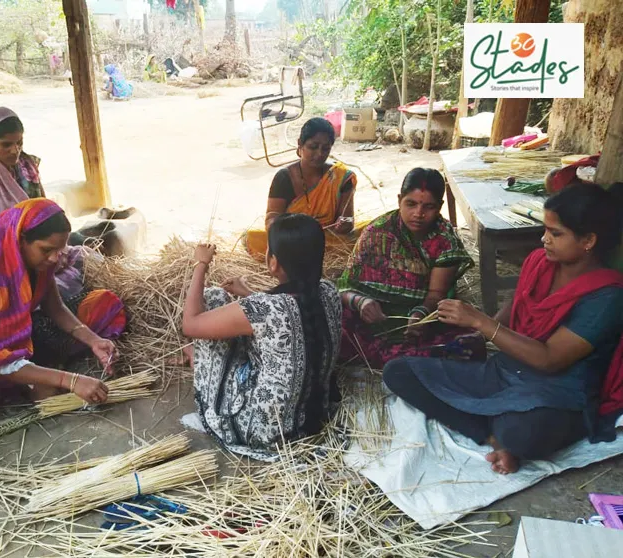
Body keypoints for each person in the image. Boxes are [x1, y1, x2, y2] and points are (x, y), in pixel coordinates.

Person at [383, 183, 623, 475]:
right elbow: (517, 301)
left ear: (588, 240)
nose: (544, 239)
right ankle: (494, 436)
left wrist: (482, 322)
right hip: (505, 372)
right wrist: (477, 334)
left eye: (556, 233)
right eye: (545, 229)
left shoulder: (606, 297)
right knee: (398, 372)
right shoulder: (540, 262)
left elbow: (550, 359)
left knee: (525, 434)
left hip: (556, 393)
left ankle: (496, 428)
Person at [183, 214, 342, 459]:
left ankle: (199, 360)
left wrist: (200, 265)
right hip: (313, 420)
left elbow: (191, 324)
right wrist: (248, 294)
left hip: (263, 433)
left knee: (214, 297)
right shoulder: (330, 292)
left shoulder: (264, 308)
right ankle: (196, 356)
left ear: (273, 262)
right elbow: (291, 315)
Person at [0, 199, 127, 408]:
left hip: (20, 331)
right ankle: (30, 384)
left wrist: (93, 340)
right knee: (49, 391)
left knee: (104, 304)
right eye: (46, 250)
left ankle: (40, 373)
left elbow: (55, 307)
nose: (53, 259)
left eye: (59, 250)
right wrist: (71, 380)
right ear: (21, 239)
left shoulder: (36, 262)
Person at [0, 107, 117, 298]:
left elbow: (44, 211)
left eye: (19, 143)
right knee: (53, 293)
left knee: (93, 258)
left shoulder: (25, 167)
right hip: (7, 265)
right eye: (5, 145)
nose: (15, 151)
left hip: (41, 248)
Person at [338, 168, 477, 367]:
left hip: (419, 324)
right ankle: (397, 359)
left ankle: (384, 357)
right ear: (399, 200)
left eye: (428, 207)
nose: (418, 214)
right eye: (410, 204)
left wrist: (421, 314)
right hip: (369, 320)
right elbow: (344, 287)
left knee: (467, 345)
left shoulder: (444, 241)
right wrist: (361, 302)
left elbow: (437, 294)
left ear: (440, 207)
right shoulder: (377, 232)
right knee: (330, 320)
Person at [245, 118, 358, 259]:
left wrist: (345, 223)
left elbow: (347, 219)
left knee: (364, 235)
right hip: (293, 243)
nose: (319, 154)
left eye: (326, 148)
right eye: (313, 147)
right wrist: (286, 232)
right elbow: (272, 217)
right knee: (253, 238)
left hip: (328, 241)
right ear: (300, 144)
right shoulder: (284, 178)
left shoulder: (341, 177)